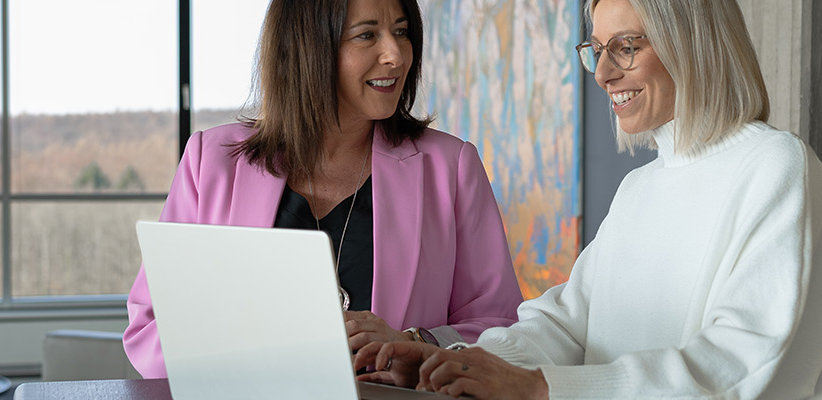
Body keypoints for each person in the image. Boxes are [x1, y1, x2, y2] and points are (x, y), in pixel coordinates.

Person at [351, 0, 822, 398]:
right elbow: (566, 326)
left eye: (626, 47)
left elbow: (741, 364)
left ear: (692, 43)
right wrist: (453, 358)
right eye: (596, 49)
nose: (603, 73)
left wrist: (543, 390)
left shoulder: (775, 165)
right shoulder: (640, 188)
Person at [123, 0, 524, 379]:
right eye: (367, 35)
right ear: (308, 47)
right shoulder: (210, 161)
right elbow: (151, 331)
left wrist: (415, 344)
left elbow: (502, 328)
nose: (396, 56)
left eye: (401, 32)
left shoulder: (450, 167)